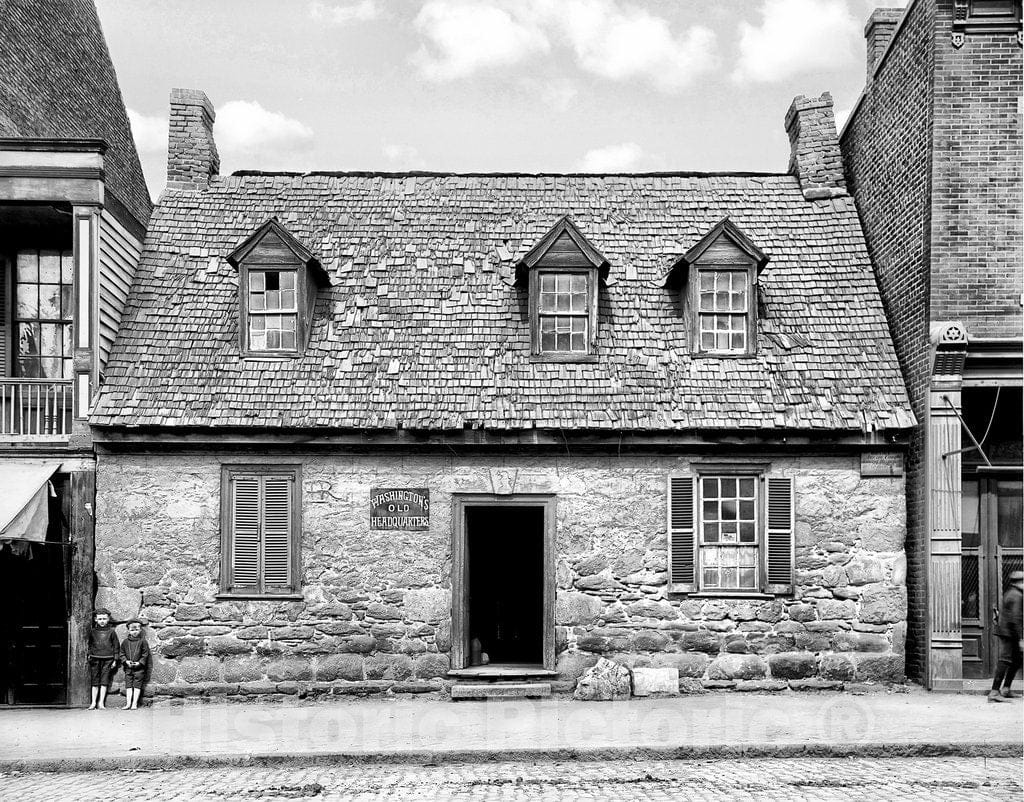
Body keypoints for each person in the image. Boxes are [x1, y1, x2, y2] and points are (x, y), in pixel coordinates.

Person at [988, 569, 1023, 703]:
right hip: (1010, 632)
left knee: (1017, 659)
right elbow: (1015, 619)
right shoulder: (1016, 595)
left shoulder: (1013, 593)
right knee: (1005, 660)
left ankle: (1006, 689)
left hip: (1009, 631)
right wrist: (1020, 639)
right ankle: (994, 692)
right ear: (1019, 583)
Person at [87, 608, 119, 710]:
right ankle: (93, 702)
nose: (102, 621)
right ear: (95, 619)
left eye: (104, 619)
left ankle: (101, 703)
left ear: (108, 619)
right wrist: (89, 654)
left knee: (104, 681)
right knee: (95, 681)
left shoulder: (111, 632)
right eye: (100, 619)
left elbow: (116, 646)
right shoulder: (92, 631)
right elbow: (89, 644)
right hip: (95, 659)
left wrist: (115, 659)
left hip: (108, 659)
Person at [119, 619, 150, 710]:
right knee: (128, 685)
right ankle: (128, 703)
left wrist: (139, 663)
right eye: (132, 630)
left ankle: (134, 703)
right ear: (128, 630)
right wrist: (125, 661)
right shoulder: (125, 642)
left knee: (137, 685)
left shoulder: (143, 642)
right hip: (128, 668)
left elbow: (145, 654)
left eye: (136, 630)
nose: (134, 632)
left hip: (139, 669)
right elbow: (121, 653)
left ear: (140, 630)